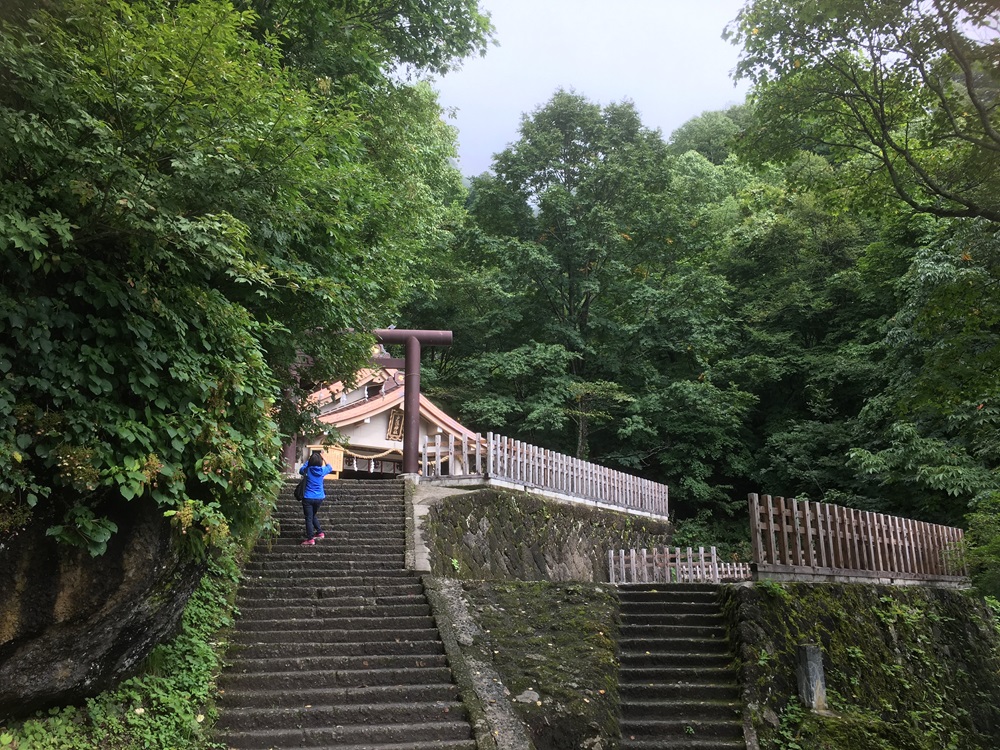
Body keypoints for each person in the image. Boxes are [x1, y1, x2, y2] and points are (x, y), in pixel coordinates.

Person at [298, 450, 334, 545]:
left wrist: (308, 461)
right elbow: (330, 467)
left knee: (309, 518)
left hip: (308, 497)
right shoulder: (322, 470)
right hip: (319, 498)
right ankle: (320, 532)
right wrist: (323, 457)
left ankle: (310, 538)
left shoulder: (307, 470)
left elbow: (301, 470)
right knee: (312, 515)